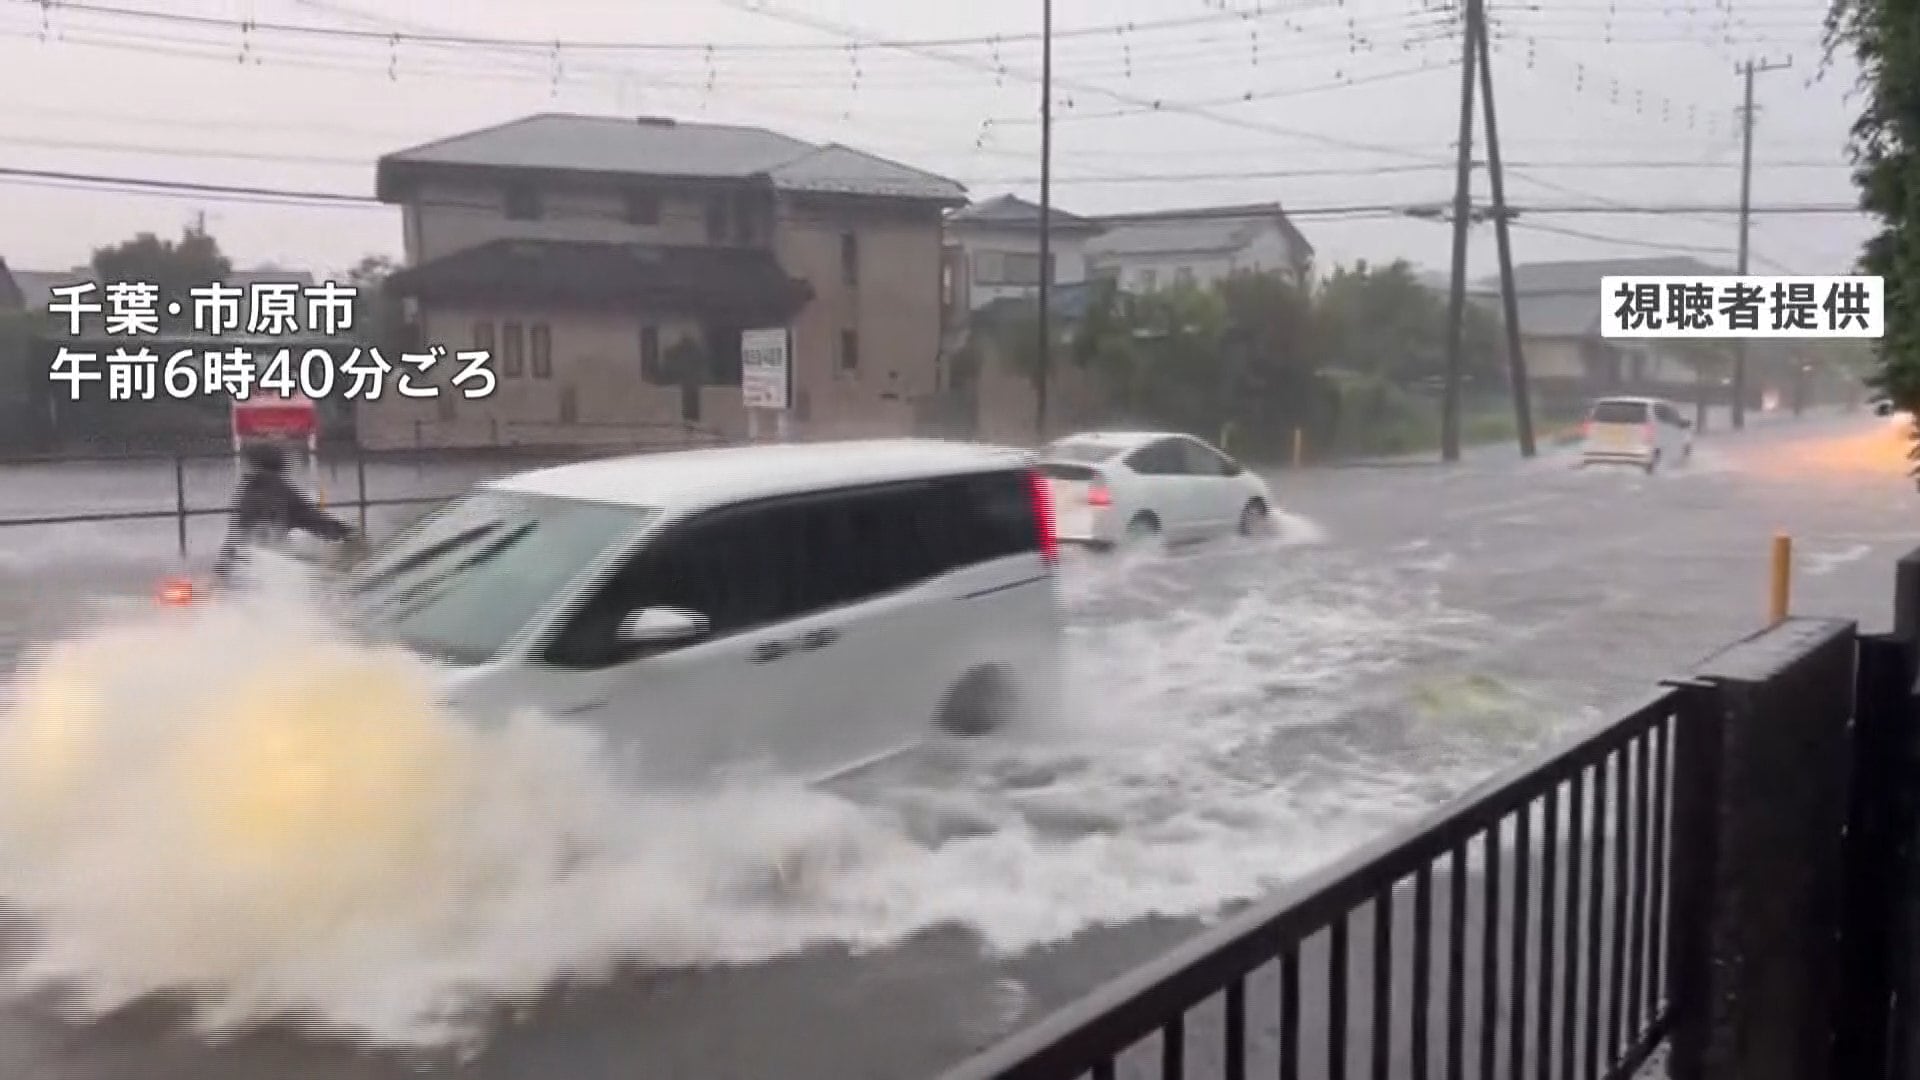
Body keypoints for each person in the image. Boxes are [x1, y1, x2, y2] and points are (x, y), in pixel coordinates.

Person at [212, 441, 354, 584]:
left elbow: (238, 534)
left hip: (240, 563)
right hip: (270, 564)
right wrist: (349, 534)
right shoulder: (279, 490)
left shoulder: (251, 488)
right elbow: (314, 520)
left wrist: (222, 568)